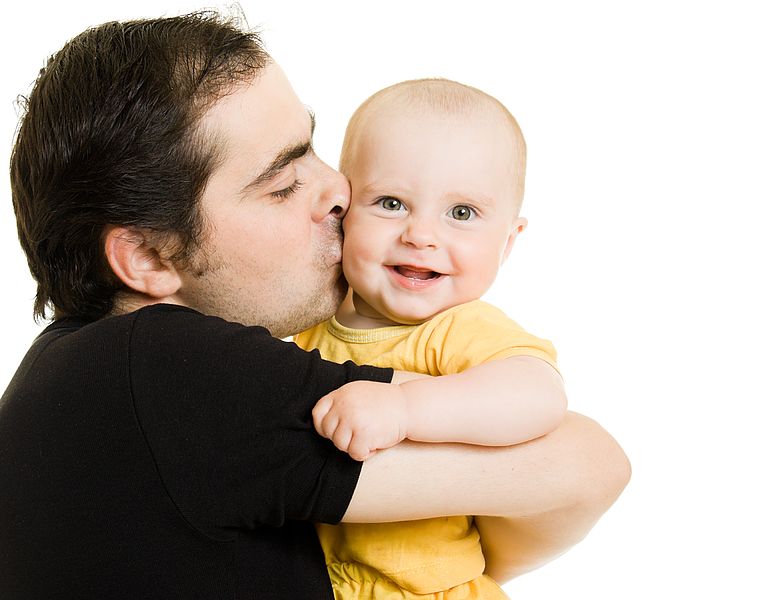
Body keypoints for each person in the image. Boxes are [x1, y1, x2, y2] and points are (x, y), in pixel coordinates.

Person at [0, 11, 630, 599]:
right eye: (282, 183)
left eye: (313, 148)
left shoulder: (67, 377)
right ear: (148, 257)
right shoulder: (160, 369)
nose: (340, 190)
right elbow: (588, 464)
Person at [294, 78, 566, 599]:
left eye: (461, 213)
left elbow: (538, 395)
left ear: (508, 243)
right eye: (391, 203)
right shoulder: (309, 325)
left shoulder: (459, 329)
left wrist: (405, 409)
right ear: (343, 210)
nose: (421, 235)